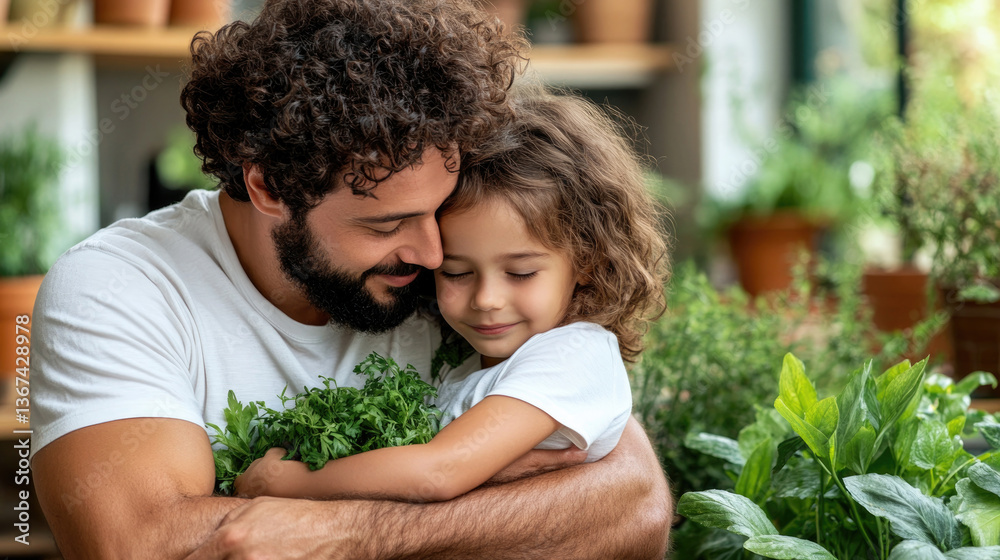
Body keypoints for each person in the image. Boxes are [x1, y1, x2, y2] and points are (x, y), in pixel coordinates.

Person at [29, 0, 673, 558]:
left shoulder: (467, 281)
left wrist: (351, 536)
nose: (429, 251)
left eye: (435, 212)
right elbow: (144, 545)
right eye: (387, 223)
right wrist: (506, 517)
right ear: (269, 186)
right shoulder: (121, 287)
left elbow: (631, 504)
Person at [233, 91, 670, 503]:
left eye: (520, 272)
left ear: (588, 260)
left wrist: (286, 481)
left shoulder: (574, 356)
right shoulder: (470, 361)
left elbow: (438, 472)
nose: (487, 299)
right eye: (456, 272)